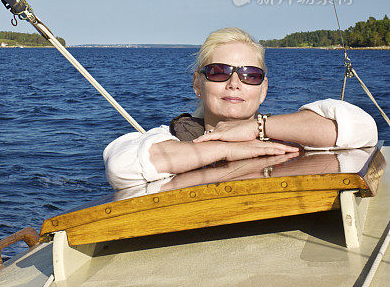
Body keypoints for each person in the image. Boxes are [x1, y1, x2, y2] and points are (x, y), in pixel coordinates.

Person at [103, 27, 378, 190]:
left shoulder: (286, 134)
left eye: (250, 75)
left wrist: (257, 128)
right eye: (219, 71)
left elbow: (363, 130)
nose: (235, 83)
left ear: (263, 89)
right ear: (198, 84)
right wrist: (226, 148)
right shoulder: (172, 137)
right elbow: (121, 166)